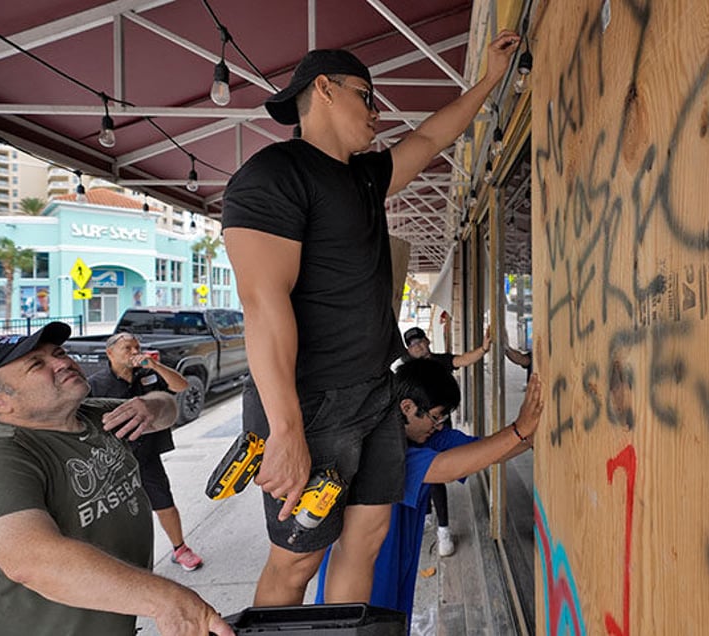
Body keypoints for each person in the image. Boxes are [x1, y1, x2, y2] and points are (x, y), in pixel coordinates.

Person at [221, 30, 521, 607]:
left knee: (368, 537)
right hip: (308, 402)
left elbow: (432, 137)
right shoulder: (272, 176)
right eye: (368, 96)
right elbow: (263, 305)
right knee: (299, 556)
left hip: (373, 392)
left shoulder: (362, 176)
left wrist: (488, 78)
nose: (377, 113)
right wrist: (284, 431)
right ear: (325, 90)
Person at [0, 323, 231, 636]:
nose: (63, 362)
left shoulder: (94, 415)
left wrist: (151, 405)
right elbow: (34, 562)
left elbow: (169, 409)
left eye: (58, 353)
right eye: (37, 364)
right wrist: (167, 601)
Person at [315, 358, 543, 628]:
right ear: (407, 407)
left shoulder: (429, 437)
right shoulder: (384, 450)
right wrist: (518, 430)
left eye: (443, 418)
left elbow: (488, 451)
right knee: (354, 627)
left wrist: (530, 435)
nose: (438, 425)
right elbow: (444, 469)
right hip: (364, 573)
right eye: (436, 417)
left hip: (398, 566)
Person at [88, 331, 203, 571]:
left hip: (147, 455)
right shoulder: (97, 385)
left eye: (136, 347)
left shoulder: (148, 375)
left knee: (163, 501)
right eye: (127, 349)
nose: (133, 353)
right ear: (110, 353)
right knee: (117, 510)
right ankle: (116, 558)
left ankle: (180, 548)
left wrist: (155, 365)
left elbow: (180, 386)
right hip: (114, 459)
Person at [399, 325, 492, 557]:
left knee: (435, 481)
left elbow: (461, 360)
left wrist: (483, 349)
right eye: (413, 345)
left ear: (428, 341)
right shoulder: (393, 451)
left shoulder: (438, 363)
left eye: (421, 342)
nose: (419, 347)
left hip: (434, 438)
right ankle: (432, 520)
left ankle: (442, 528)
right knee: (430, 479)